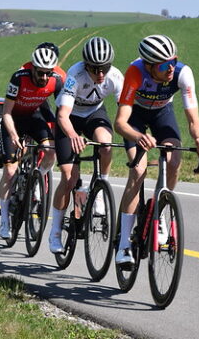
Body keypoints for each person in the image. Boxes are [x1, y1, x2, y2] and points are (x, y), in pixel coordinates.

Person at [113, 34, 199, 266]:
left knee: (174, 161)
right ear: (149, 65)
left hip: (162, 112)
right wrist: (138, 137)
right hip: (135, 116)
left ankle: (160, 210)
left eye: (173, 61)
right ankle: (124, 245)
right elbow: (120, 123)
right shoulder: (135, 72)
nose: (171, 68)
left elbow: (193, 118)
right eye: (164, 65)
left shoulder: (182, 73)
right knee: (138, 171)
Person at [48, 36, 124, 253]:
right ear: (86, 65)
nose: (100, 74)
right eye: (94, 69)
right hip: (70, 117)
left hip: (93, 113)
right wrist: (72, 135)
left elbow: (126, 111)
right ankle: (55, 232)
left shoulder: (116, 76)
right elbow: (62, 115)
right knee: (68, 178)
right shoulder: (75, 75)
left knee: (106, 145)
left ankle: (100, 187)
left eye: (104, 68)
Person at [0, 44, 65, 239]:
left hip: (34, 117)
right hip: (13, 120)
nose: (44, 77)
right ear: (32, 68)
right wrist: (13, 135)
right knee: (10, 171)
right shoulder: (19, 77)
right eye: (40, 73)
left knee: (50, 151)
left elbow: (62, 112)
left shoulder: (56, 80)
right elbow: (6, 112)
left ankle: (37, 179)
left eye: (47, 73)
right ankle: (4, 219)